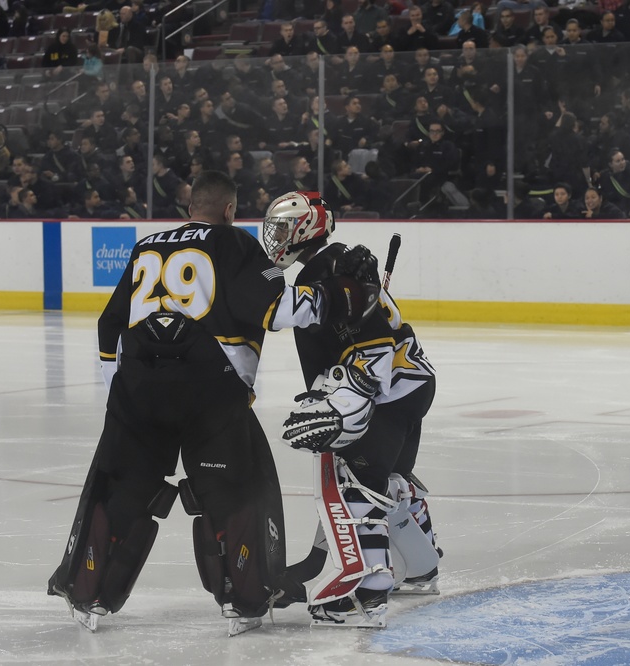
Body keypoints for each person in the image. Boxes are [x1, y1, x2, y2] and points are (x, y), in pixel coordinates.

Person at [47, 171, 381, 636]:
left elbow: (110, 326)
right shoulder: (235, 244)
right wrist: (341, 296)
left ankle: (87, 595)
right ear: (229, 211)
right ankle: (243, 602)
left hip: (138, 390)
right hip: (211, 392)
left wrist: (121, 391)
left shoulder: (148, 245)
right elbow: (278, 309)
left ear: (188, 207)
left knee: (120, 489)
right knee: (238, 491)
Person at [264, 191, 440, 628]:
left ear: (307, 228)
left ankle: (366, 593)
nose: (276, 237)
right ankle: (421, 567)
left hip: (384, 391)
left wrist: (345, 405)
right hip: (412, 383)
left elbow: (373, 348)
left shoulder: (329, 268)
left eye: (284, 228)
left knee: (355, 484)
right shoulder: (333, 263)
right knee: (390, 482)